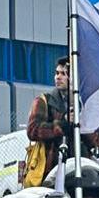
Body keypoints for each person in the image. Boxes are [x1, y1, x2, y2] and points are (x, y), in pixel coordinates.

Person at [24, 57, 74, 185]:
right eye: (57, 73)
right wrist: (62, 125)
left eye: (64, 74)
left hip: (79, 168)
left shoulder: (84, 103)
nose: (58, 77)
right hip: (50, 171)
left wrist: (82, 124)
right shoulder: (44, 101)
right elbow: (33, 130)